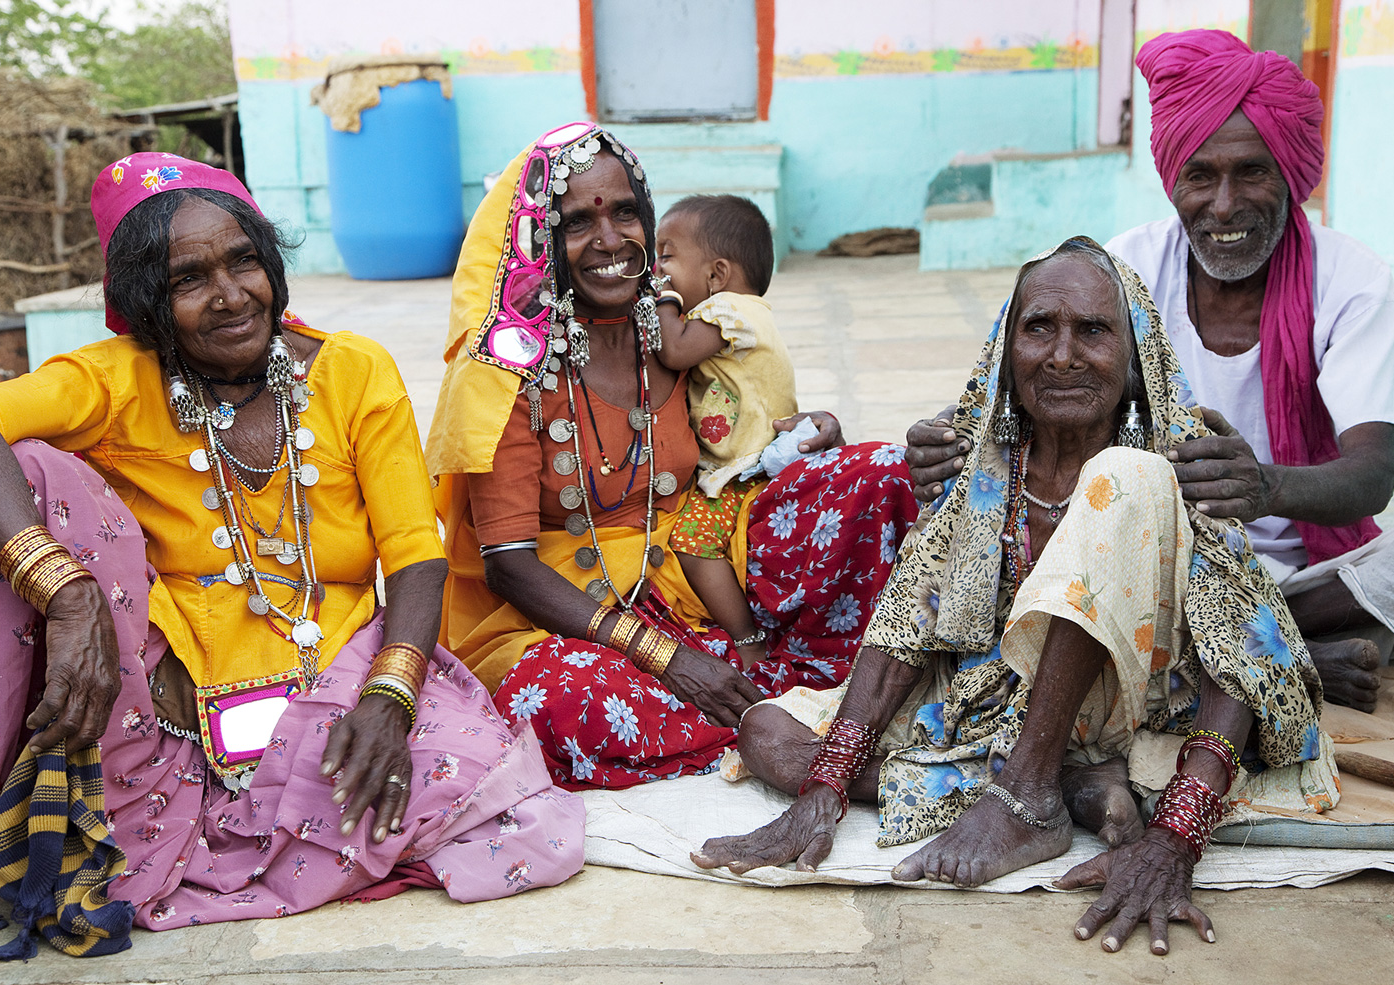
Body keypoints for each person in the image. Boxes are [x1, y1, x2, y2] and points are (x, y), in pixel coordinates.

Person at [0, 154, 584, 940]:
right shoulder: (115, 382)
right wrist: (62, 588)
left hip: (342, 688)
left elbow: (415, 552)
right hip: (169, 718)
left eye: (244, 262)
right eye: (188, 280)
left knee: (528, 833)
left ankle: (283, 831)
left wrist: (390, 697)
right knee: (33, 473)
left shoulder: (351, 372)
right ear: (146, 305)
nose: (231, 295)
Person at [694, 238, 1338, 956]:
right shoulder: (988, 465)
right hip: (1005, 701)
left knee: (1119, 478)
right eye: (1039, 328)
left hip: (1137, 703)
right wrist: (825, 788)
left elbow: (1243, 658)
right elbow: (912, 617)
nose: (1062, 355)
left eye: (1093, 331)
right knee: (767, 734)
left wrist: (1175, 837)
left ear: (1133, 360)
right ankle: (1072, 784)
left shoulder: (1174, 464)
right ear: (1008, 348)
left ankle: (1030, 793)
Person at [906, 30, 1394, 713]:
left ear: (1289, 171)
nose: (1224, 205)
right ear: (1173, 181)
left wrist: (1263, 487)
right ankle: (1270, 650)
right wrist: (948, 442)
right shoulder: (1127, 267)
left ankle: (1253, 634)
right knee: (1006, 528)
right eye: (1201, 175)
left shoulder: (1350, 280)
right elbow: (1025, 388)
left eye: (1251, 172)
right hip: (1150, 563)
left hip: (1312, 577)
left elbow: (1374, 476)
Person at [426, 122, 917, 790]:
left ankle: (838, 704)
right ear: (536, 237)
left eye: (625, 213)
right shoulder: (505, 369)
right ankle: (794, 734)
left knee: (877, 476)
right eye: (576, 221)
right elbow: (509, 568)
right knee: (559, 697)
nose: (609, 240)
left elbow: (745, 415)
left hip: (695, 558)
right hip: (562, 614)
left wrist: (811, 430)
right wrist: (664, 656)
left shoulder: (670, 326)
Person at [655, 194, 797, 671]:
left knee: (693, 543)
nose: (657, 267)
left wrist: (664, 298)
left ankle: (747, 638)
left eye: (667, 255)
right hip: (750, 455)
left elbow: (671, 351)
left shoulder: (729, 312)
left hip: (742, 464)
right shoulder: (745, 315)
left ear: (716, 275)